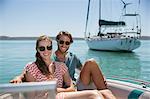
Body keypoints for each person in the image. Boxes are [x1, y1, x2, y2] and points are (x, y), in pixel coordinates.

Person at [10, 32, 116, 99]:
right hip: (59, 93)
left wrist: (101, 76)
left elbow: (81, 69)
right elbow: (29, 71)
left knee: (91, 63)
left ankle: (104, 89)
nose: (64, 45)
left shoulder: (68, 60)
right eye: (62, 42)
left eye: (67, 43)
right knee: (94, 94)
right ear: (57, 42)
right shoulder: (36, 65)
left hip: (70, 88)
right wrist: (19, 77)